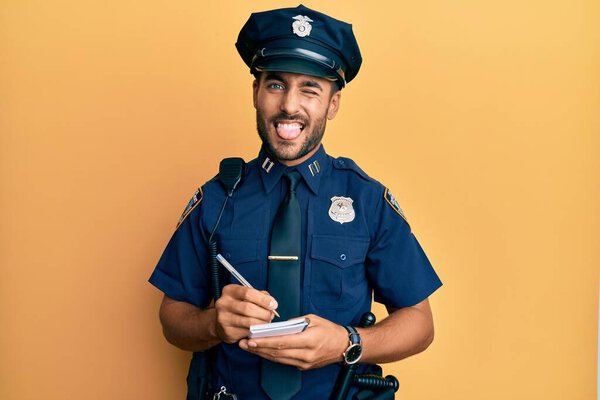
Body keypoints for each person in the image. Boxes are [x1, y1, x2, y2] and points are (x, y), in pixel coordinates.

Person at [149, 5, 442, 399]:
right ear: (256, 92)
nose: (289, 105)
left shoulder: (368, 200)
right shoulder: (216, 198)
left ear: (332, 104)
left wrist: (346, 343)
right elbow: (173, 318)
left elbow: (420, 323)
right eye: (275, 84)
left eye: (310, 88)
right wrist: (212, 325)